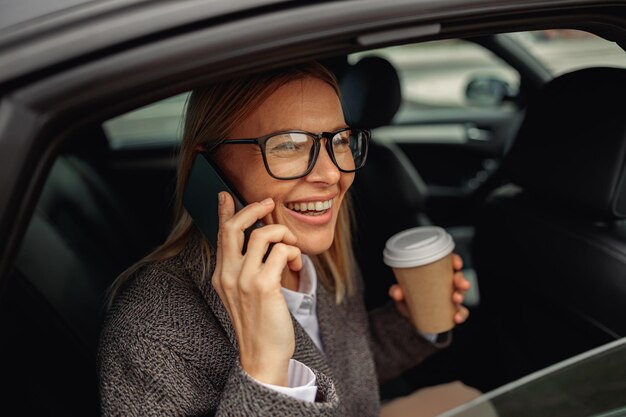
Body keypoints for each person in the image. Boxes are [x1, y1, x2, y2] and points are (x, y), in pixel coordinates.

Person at [98, 61, 471, 416]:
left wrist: (408, 323)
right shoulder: (149, 328)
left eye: (339, 141)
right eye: (289, 145)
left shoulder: (319, 258)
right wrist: (265, 369)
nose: (330, 173)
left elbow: (338, 373)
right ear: (208, 165)